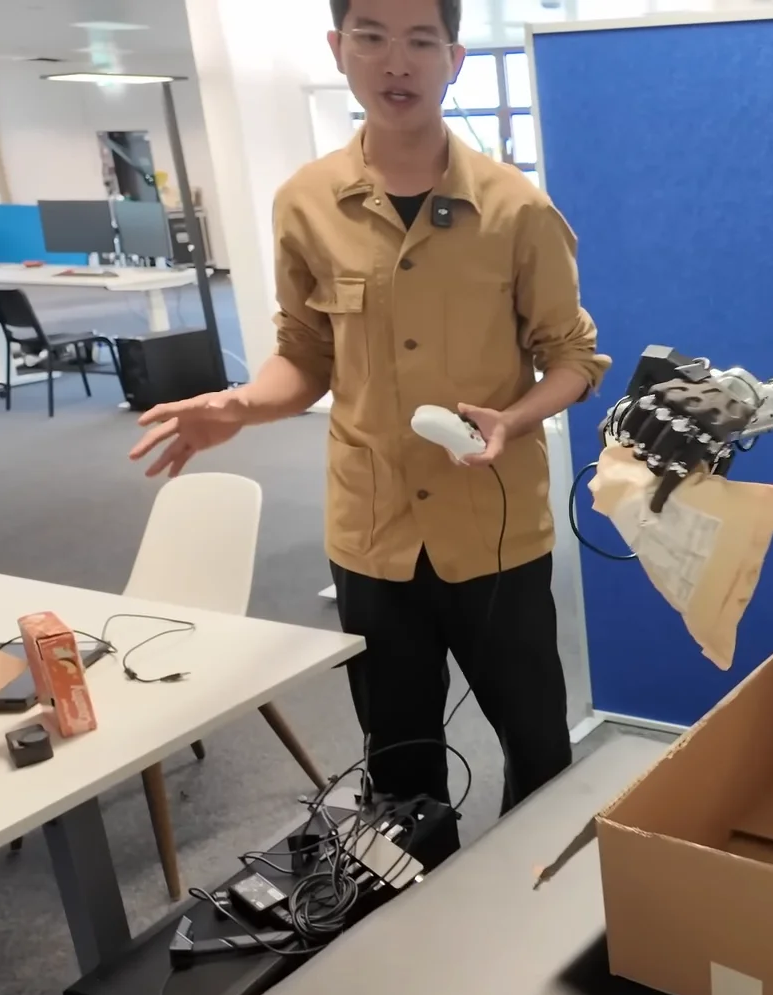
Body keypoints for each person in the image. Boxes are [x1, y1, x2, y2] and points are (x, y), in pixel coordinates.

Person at [128, 0, 610, 864]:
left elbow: (573, 357)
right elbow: (304, 357)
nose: (397, 62)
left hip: (493, 527)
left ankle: (533, 906)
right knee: (398, 767)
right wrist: (239, 405)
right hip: (372, 531)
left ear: (454, 59)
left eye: (421, 41)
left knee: (538, 745)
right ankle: (418, 918)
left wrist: (514, 417)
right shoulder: (307, 203)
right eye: (372, 37)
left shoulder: (514, 208)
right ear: (337, 48)